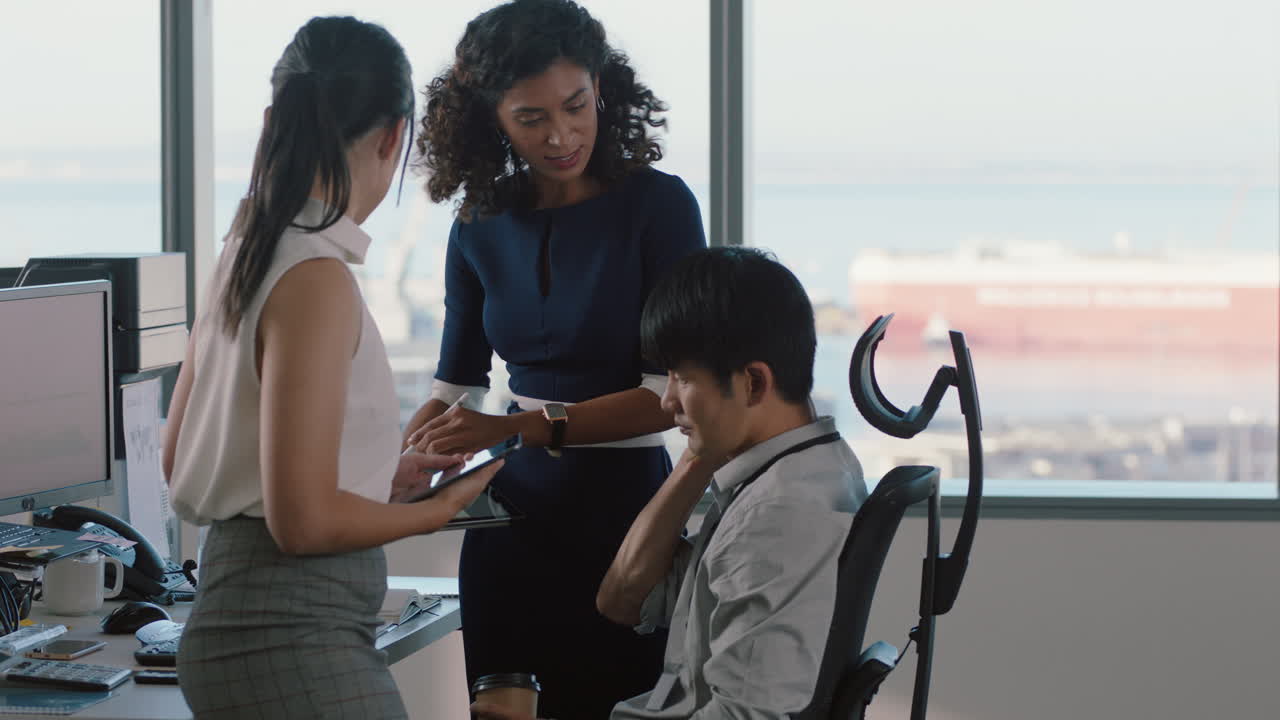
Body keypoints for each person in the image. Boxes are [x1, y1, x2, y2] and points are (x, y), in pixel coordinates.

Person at [162, 17, 502, 720]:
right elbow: (301, 524)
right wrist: (436, 511)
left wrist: (376, 479)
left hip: (241, 616)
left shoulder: (247, 251)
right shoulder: (314, 277)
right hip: (288, 636)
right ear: (390, 137)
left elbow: (181, 458)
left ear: (272, 120)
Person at [401, 1, 706, 717]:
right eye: (530, 118)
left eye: (575, 106)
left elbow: (667, 395)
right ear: (492, 118)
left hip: (629, 517)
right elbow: (456, 387)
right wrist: (398, 457)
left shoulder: (658, 208)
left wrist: (517, 430)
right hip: (510, 527)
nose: (561, 135)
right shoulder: (476, 224)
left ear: (600, 86)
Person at [472, 247, 869, 720]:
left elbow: (746, 716)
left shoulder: (777, 513)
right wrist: (698, 454)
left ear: (753, 384)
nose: (666, 402)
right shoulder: (806, 470)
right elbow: (623, 599)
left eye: (682, 378)